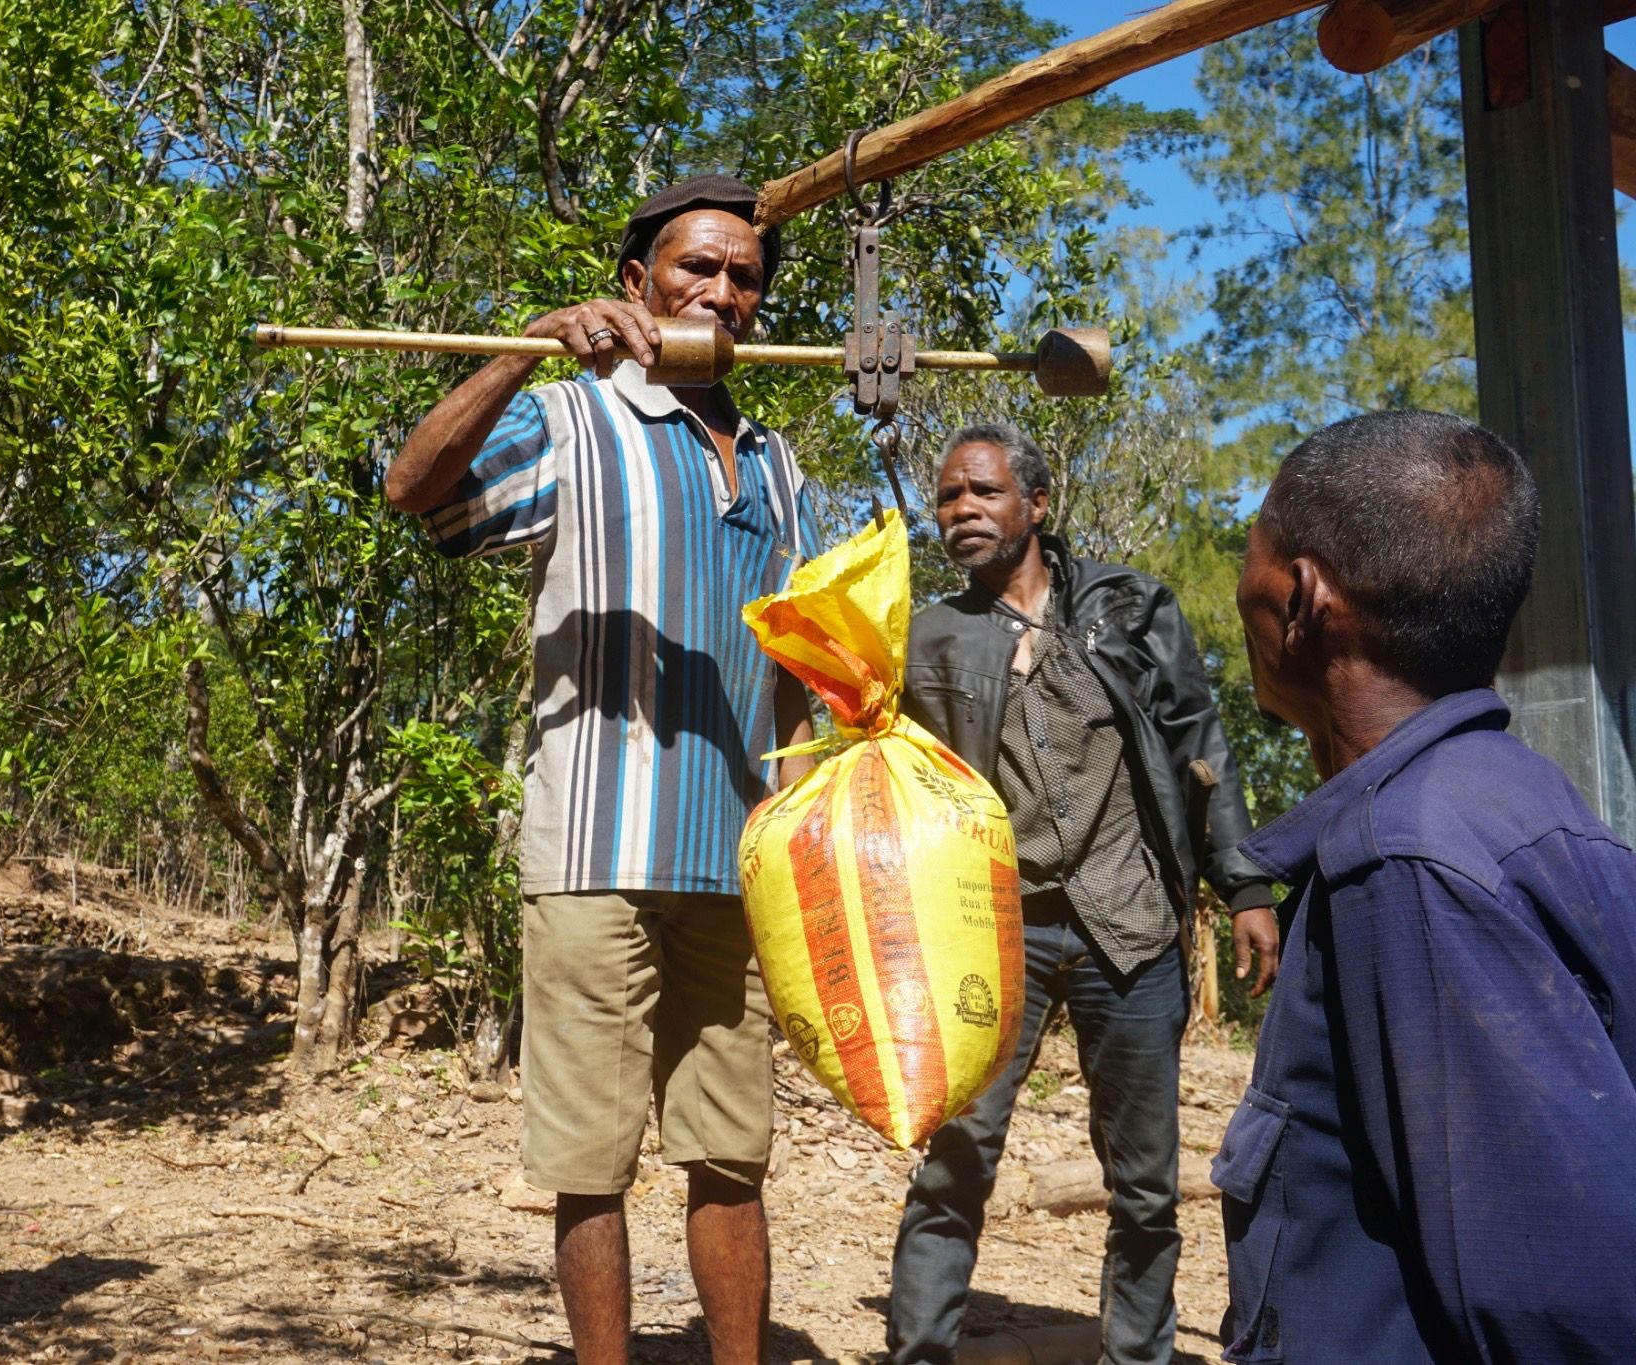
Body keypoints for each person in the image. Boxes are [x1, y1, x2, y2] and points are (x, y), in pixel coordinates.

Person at [384, 174, 819, 1365]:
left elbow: (794, 662)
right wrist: (524, 348)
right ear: (636, 284)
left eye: (743, 277)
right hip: (594, 851)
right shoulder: (571, 421)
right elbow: (413, 490)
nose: (720, 291)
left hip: (735, 861)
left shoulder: (777, 464)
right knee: (590, 1162)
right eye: (695, 267)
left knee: (729, 1153)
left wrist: (798, 811)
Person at [1216, 409, 1636, 1362]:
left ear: (1302, 597)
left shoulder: (1403, 862)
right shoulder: (1526, 801)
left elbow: (1554, 1298)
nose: (1244, 582)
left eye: (1253, 551)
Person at [893, 423, 1281, 1365]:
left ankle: (1136, 1355)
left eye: (983, 492)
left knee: (1144, 1184)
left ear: (1037, 503)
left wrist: (1245, 884)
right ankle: (919, 1353)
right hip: (995, 932)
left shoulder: (1128, 607)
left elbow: (1200, 743)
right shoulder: (932, 635)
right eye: (948, 497)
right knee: (956, 1160)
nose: (962, 511)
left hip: (1130, 921)